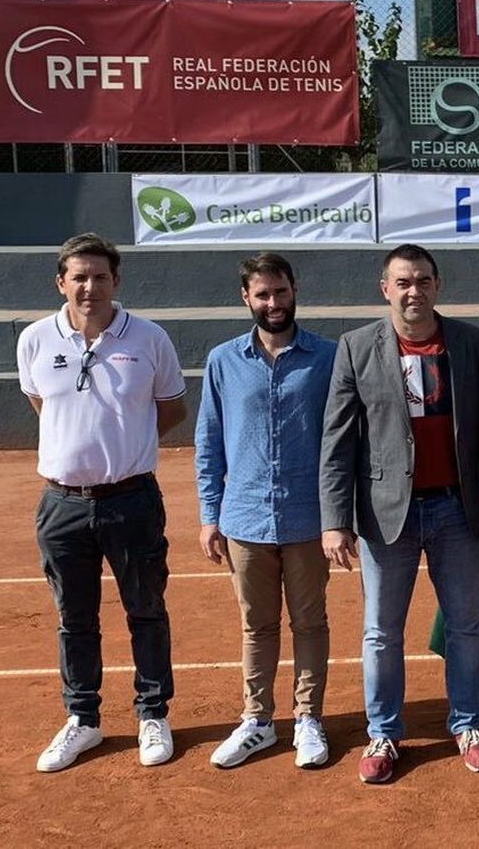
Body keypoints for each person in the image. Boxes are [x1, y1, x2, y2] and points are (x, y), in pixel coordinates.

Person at [319, 244, 479, 785]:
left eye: (423, 281)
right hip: (387, 516)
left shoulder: (473, 344)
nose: (414, 291)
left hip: (457, 506)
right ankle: (383, 731)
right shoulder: (356, 348)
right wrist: (335, 519)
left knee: (466, 626)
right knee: (382, 631)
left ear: (438, 285)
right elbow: (337, 441)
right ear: (386, 288)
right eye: (403, 282)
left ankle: (468, 724)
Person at [17, 233, 187, 772]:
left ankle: (152, 713)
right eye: (79, 277)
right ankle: (83, 719)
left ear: (117, 281)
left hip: (132, 500)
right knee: (75, 618)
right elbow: (41, 404)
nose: (90, 287)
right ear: (61, 282)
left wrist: (124, 450)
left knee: (146, 610)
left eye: (101, 277)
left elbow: (171, 410)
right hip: (61, 505)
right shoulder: (35, 340)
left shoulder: (151, 338)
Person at [195, 253, 336, 770]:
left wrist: (338, 517)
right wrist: (209, 514)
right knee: (257, 626)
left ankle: (308, 720)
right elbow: (209, 443)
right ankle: (257, 720)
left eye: (280, 292)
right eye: (262, 294)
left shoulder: (328, 357)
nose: (272, 303)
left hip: (308, 519)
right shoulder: (222, 361)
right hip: (244, 520)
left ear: (294, 290)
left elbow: (343, 442)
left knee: (309, 622)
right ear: (246, 298)